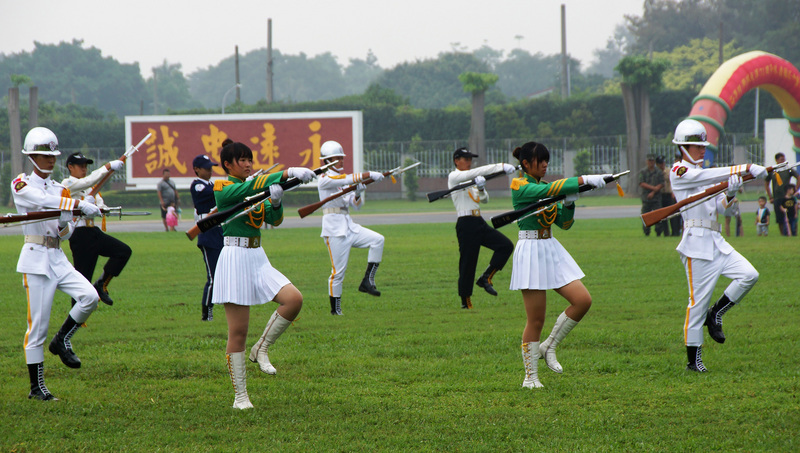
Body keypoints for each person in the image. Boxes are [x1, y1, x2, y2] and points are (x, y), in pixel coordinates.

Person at [211, 141, 316, 409]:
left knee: (293, 299)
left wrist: (277, 199)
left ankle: (262, 348)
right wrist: (285, 173)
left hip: (258, 256)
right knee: (238, 331)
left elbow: (274, 218)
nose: (247, 164)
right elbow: (242, 191)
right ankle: (241, 397)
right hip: (234, 258)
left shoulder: (254, 186)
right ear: (228, 164)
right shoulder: (223, 187)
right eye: (242, 160)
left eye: (249, 159)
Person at [508, 141, 610, 389]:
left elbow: (564, 224)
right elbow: (552, 189)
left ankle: (549, 346)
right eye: (540, 161)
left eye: (546, 161)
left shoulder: (547, 188)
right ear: (525, 164)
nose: (544, 165)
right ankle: (530, 377)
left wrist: (569, 201)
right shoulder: (519, 186)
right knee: (536, 320)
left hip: (550, 248)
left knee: (582, 300)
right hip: (530, 250)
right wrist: (582, 180)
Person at [12, 127, 102, 401]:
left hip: (57, 256)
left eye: (52, 155)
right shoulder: (22, 184)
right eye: (43, 155)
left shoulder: (58, 188)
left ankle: (62, 339)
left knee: (89, 297)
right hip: (36, 257)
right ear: (31, 157)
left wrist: (68, 217)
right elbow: (40, 202)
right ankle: (36, 387)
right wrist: (74, 204)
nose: (50, 160)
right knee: (37, 326)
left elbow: (65, 232)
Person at [669, 119, 766, 372]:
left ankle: (717, 313)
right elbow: (702, 176)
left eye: (703, 145)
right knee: (696, 304)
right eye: (697, 145)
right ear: (683, 147)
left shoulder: (703, 172)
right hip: (696, 245)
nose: (703, 149)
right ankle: (693, 361)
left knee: (749, 275)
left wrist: (732, 192)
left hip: (717, 241)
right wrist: (745, 167)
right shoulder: (680, 172)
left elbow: (719, 206)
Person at [316, 140, 386, 316]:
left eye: (341, 157)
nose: (341, 161)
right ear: (327, 161)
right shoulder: (325, 179)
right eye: (336, 158)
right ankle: (336, 310)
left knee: (378, 240)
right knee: (338, 273)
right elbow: (346, 178)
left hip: (349, 226)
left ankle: (367, 281)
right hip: (334, 231)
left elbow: (356, 206)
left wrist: (357, 192)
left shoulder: (342, 180)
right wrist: (368, 174)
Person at [448, 147, 516, 309]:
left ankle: (486, 277)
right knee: (468, 263)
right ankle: (465, 300)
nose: (469, 162)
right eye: (466, 159)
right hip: (466, 223)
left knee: (505, 245)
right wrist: (500, 167)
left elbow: (484, 200)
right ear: (456, 161)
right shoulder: (455, 176)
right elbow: (472, 174)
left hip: (478, 221)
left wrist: (481, 187)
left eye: (470, 159)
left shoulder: (471, 180)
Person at [62, 152, 132, 306]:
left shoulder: (90, 188)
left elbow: (100, 205)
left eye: (86, 166)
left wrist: (101, 208)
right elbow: (87, 182)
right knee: (82, 279)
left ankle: (101, 284)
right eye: (81, 166)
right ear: (70, 167)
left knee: (123, 251)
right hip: (79, 235)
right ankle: (75, 316)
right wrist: (107, 167)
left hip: (93, 232)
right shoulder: (67, 184)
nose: (84, 169)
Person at [190, 153, 224, 321]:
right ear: (197, 169)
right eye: (207, 167)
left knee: (222, 273)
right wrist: (229, 185)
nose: (210, 170)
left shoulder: (211, 185)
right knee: (213, 277)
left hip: (218, 231)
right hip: (207, 232)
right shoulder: (198, 186)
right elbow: (211, 193)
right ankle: (207, 312)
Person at [764, 152, 799, 236]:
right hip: (777, 197)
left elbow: (798, 177)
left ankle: (793, 233)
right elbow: (766, 182)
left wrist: (795, 189)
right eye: (781, 159)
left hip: (787, 197)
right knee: (780, 217)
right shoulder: (772, 170)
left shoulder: (788, 169)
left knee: (792, 215)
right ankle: (782, 234)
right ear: (776, 160)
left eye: (784, 159)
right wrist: (770, 196)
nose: (783, 161)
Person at [638, 154, 664, 236]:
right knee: (645, 216)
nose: (651, 163)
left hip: (656, 197)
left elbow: (662, 183)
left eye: (652, 161)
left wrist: (654, 191)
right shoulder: (643, 172)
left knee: (658, 216)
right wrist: (653, 188)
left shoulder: (659, 172)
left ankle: (658, 232)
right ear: (646, 162)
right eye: (649, 161)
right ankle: (646, 232)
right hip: (646, 197)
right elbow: (641, 183)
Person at [655, 156, 680, 236]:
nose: (662, 165)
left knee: (672, 215)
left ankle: (675, 232)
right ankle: (666, 233)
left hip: (669, 194)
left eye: (663, 163)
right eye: (660, 164)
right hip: (660, 195)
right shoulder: (656, 173)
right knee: (663, 216)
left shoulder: (669, 171)